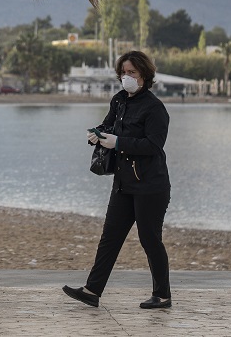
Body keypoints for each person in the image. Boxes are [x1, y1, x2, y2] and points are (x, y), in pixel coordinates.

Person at [63, 50, 172, 310]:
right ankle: (92, 291)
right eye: (123, 72)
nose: (126, 77)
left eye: (131, 72)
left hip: (150, 186)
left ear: (144, 75)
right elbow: (108, 126)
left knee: (149, 239)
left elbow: (154, 146)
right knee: (110, 237)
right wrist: (97, 134)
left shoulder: (155, 108)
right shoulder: (119, 101)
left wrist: (119, 142)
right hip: (123, 184)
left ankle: (163, 295)